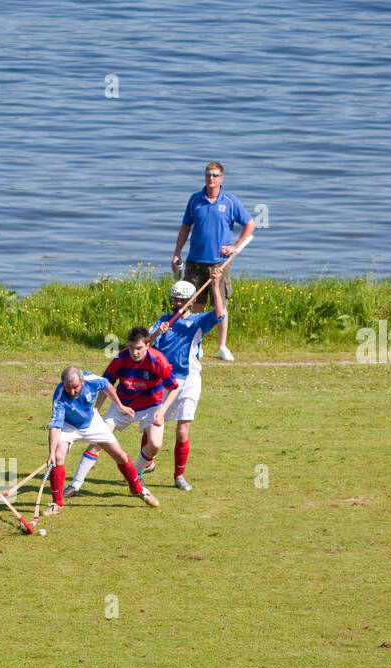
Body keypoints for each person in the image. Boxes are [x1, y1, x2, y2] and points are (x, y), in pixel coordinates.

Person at [63, 327, 180, 496]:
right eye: (131, 347)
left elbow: (174, 388)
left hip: (152, 406)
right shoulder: (120, 359)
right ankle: (75, 485)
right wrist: (96, 409)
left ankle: (135, 474)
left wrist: (162, 410)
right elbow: (105, 384)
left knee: (155, 444)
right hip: (122, 405)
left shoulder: (158, 360)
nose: (134, 352)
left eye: (139, 348)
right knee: (97, 442)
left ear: (148, 345)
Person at [145, 268, 226, 489]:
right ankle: (146, 462)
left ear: (190, 302)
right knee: (152, 424)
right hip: (163, 381)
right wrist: (155, 334)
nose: (178, 304)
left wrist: (215, 285)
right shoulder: (163, 320)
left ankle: (179, 476)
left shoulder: (199, 321)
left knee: (182, 429)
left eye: (182, 300)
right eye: (175, 300)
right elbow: (144, 347)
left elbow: (219, 314)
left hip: (189, 380)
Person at [45, 365, 159, 514]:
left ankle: (137, 489)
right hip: (68, 426)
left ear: (82, 381)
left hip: (92, 422)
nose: (72, 392)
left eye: (75, 388)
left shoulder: (91, 380)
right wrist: (51, 452)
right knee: (58, 456)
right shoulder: (60, 396)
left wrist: (120, 406)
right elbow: (55, 426)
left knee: (120, 455)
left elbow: (107, 385)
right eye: (68, 388)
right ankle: (57, 504)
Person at [171, 161, 254, 361]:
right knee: (195, 305)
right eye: (208, 175)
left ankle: (222, 347)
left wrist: (235, 246)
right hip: (195, 261)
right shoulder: (195, 200)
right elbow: (185, 227)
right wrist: (176, 253)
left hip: (219, 263)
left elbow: (250, 224)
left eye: (215, 175)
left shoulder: (230, 201)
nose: (211, 179)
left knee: (220, 305)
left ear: (221, 178)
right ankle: (196, 345)